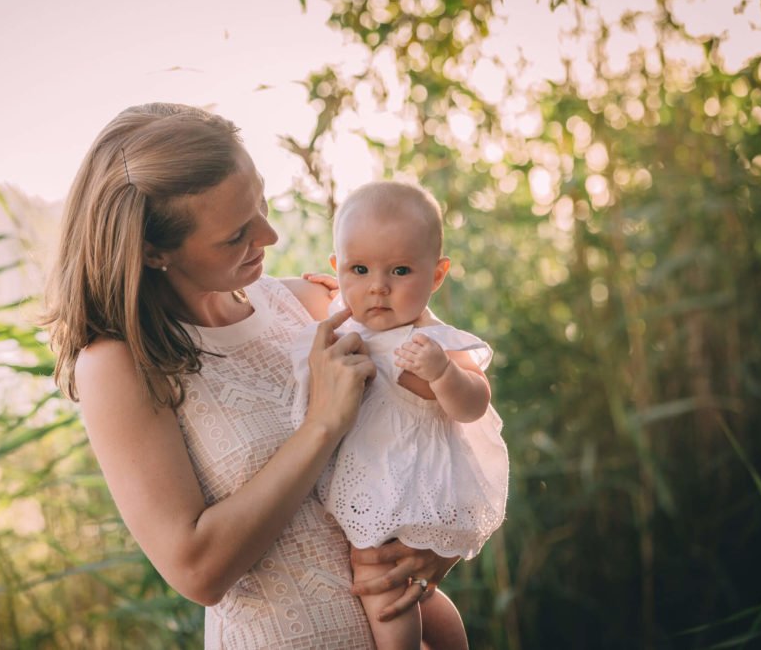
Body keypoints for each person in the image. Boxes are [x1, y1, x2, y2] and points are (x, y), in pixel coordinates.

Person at [42, 103, 468, 649]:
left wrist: (436, 547)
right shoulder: (120, 363)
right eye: (236, 234)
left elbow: (443, 416)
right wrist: (322, 425)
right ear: (153, 251)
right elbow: (197, 572)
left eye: (261, 202)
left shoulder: (309, 304)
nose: (269, 235)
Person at [290, 182, 509, 650]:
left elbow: (475, 404)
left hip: (404, 485)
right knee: (417, 592)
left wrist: (443, 373)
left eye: (401, 271)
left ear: (437, 275)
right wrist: (340, 291)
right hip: (373, 476)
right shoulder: (350, 313)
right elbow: (349, 299)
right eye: (359, 269)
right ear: (337, 267)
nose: (378, 287)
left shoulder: (433, 341)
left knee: (378, 577)